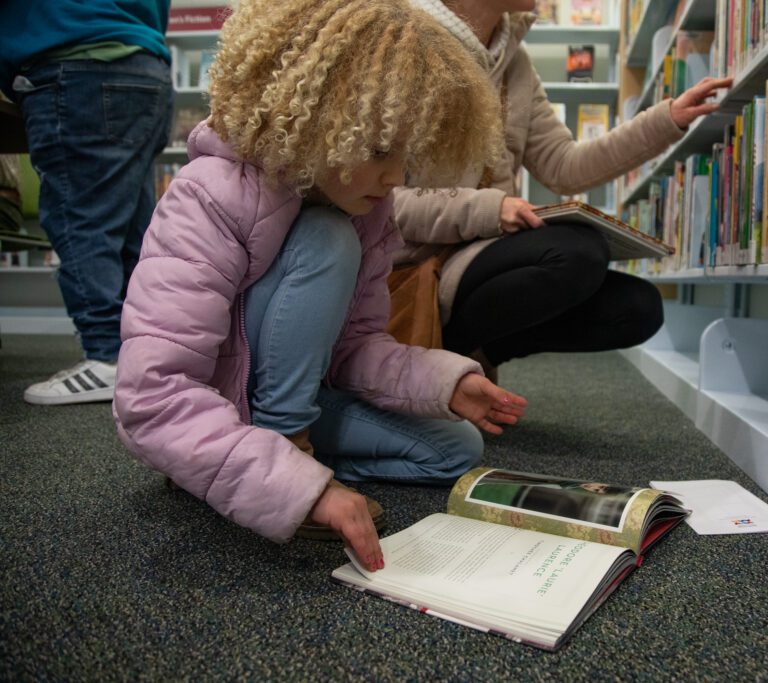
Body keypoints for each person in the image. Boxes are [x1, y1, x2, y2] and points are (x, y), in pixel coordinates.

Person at [112, 0, 527, 572]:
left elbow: (354, 348)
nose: (395, 179)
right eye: (380, 150)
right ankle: (277, 455)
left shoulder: (369, 212)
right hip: (224, 406)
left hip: (302, 397)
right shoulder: (207, 197)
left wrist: (443, 383)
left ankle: (260, 465)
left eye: (406, 155)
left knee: (457, 449)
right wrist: (299, 486)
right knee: (325, 239)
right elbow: (151, 398)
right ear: (317, 122)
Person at [392, 0, 733, 379]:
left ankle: (478, 354)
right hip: (415, 267)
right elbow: (381, 204)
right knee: (578, 252)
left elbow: (563, 165)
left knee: (640, 306)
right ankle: (431, 362)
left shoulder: (514, 62)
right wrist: (490, 208)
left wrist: (665, 120)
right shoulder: (402, 44)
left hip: (480, 255)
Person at [0, 0, 174, 404]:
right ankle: (144, 355)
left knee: (79, 220)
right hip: (144, 66)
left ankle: (106, 357)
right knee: (135, 230)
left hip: (74, 63)